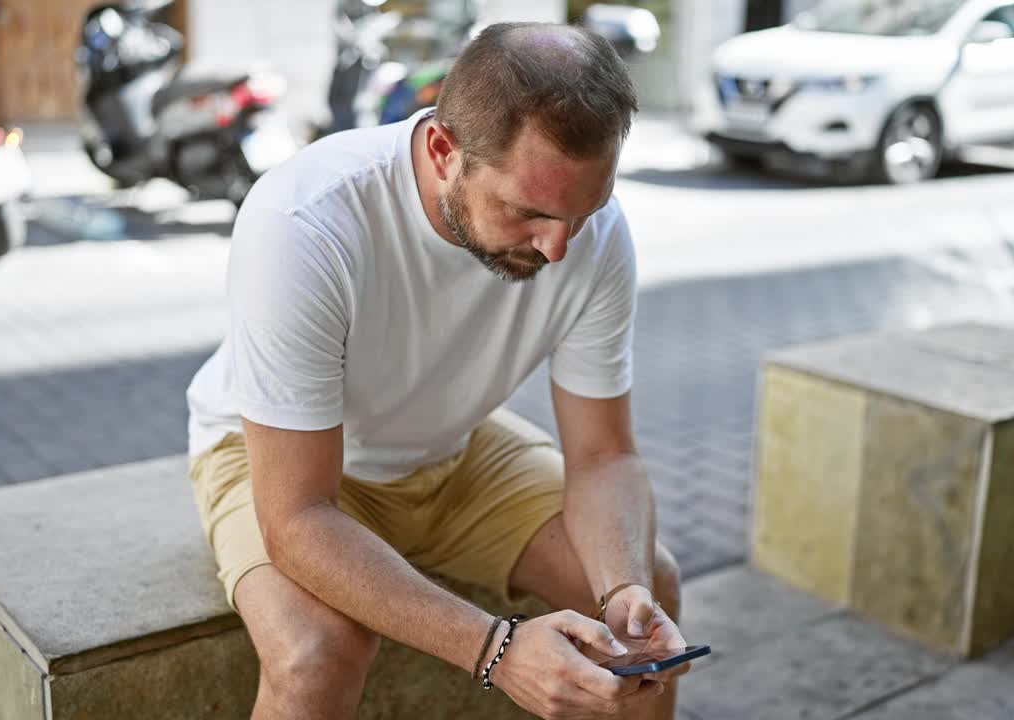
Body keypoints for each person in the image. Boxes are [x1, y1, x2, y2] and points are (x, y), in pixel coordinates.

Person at [185, 21, 687, 720]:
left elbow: (604, 455)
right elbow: (297, 517)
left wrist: (623, 587)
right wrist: (497, 649)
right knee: (316, 651)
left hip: (454, 450)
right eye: (528, 212)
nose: (558, 248)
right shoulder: (304, 220)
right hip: (283, 460)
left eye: (584, 211)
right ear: (444, 149)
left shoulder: (589, 234)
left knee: (646, 599)